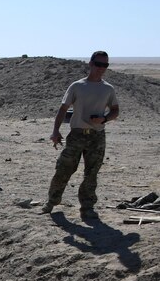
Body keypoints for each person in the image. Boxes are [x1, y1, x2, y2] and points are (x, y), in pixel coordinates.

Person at [43, 51, 119, 220]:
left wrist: (105, 119)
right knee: (64, 168)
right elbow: (63, 109)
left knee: (91, 173)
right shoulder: (77, 86)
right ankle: (51, 202)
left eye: (105, 65)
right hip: (77, 134)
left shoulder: (108, 89)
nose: (101, 68)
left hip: (97, 136)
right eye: (98, 64)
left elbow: (115, 110)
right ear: (90, 64)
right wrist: (55, 131)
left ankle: (87, 207)